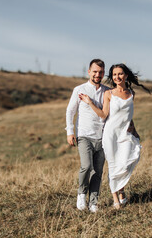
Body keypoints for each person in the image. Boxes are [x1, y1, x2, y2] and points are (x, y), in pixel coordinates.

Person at [79, 63, 150, 209]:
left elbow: (128, 116)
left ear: (126, 75)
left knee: (124, 163)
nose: (117, 77)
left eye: (120, 74)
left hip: (125, 134)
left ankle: (121, 188)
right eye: (114, 75)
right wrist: (90, 102)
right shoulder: (109, 94)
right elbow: (104, 115)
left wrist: (134, 129)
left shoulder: (131, 93)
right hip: (111, 134)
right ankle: (116, 198)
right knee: (113, 165)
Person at [65, 59, 109, 213]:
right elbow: (70, 111)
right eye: (95, 71)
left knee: (98, 171)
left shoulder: (107, 91)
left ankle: (94, 202)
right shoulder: (79, 89)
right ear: (89, 72)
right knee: (86, 166)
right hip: (84, 135)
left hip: (103, 137)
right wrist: (70, 131)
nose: (98, 74)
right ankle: (81, 194)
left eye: (101, 72)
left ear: (104, 73)